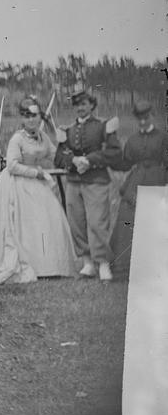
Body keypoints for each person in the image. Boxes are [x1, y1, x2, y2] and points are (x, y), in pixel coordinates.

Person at [0, 96, 76, 284]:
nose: (31, 120)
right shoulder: (18, 139)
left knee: (45, 220)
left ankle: (48, 266)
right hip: (17, 184)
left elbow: (54, 154)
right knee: (23, 225)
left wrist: (58, 140)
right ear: (22, 119)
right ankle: (29, 263)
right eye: (27, 116)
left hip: (37, 185)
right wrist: (36, 173)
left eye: (35, 116)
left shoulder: (42, 137)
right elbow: (12, 166)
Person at [53, 86, 122, 281]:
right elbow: (58, 156)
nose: (80, 108)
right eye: (76, 105)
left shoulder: (103, 126)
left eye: (83, 104)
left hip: (96, 181)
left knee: (97, 222)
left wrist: (90, 160)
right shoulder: (68, 130)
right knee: (77, 222)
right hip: (74, 182)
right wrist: (73, 161)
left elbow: (114, 152)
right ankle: (88, 263)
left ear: (92, 105)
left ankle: (103, 263)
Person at [110, 100, 168, 266]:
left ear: (152, 116)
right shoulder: (132, 140)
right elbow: (125, 163)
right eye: (140, 118)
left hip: (158, 179)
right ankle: (126, 264)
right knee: (128, 217)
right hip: (136, 182)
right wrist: (110, 153)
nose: (143, 121)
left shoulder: (163, 137)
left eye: (146, 117)